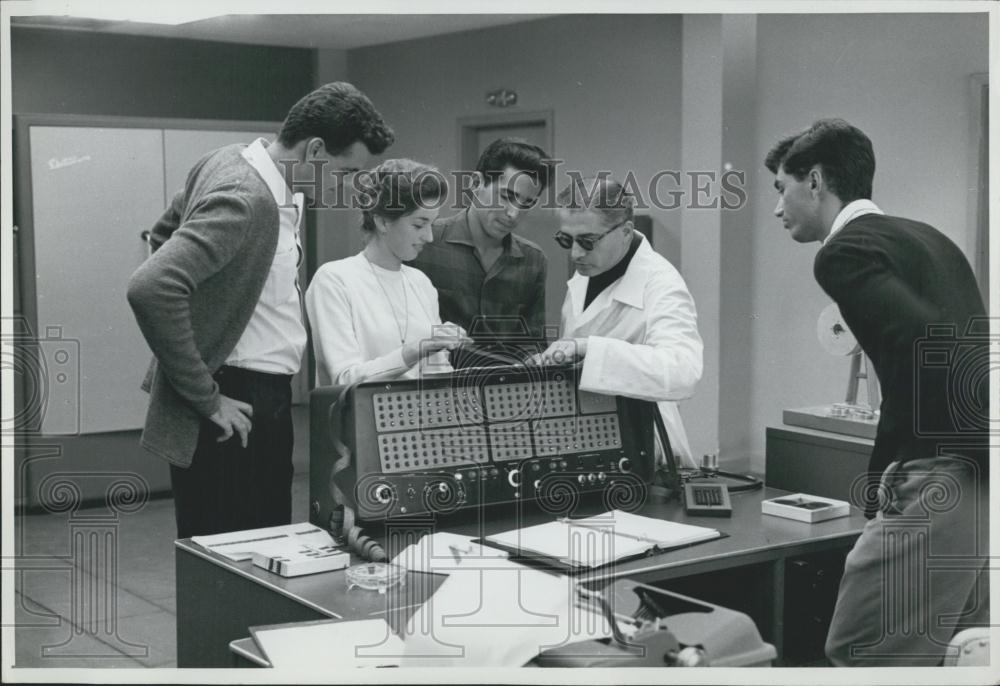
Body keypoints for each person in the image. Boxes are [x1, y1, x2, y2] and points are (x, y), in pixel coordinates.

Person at [764, 118, 989, 666]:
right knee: (948, 652)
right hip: (982, 484)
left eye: (781, 189)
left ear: (814, 181)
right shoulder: (931, 238)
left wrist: (889, 475)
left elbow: (922, 353)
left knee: (860, 652)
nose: (777, 209)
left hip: (938, 476)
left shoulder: (842, 253)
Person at [127, 82, 394, 538]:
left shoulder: (235, 162)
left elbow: (162, 234)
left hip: (258, 395)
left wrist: (214, 303)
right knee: (241, 562)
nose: (351, 187)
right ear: (313, 150)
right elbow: (151, 285)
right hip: (236, 401)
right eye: (347, 172)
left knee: (255, 554)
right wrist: (205, 395)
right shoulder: (247, 199)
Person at [530, 176, 704, 469]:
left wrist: (589, 349)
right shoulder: (588, 272)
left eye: (587, 241)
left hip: (646, 444)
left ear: (625, 231)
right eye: (566, 240)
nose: (575, 254)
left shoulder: (661, 284)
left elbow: (684, 370)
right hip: (588, 433)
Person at [305, 159, 470, 386]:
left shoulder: (421, 283)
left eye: (432, 224)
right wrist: (415, 350)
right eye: (419, 225)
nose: (429, 237)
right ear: (383, 222)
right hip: (358, 418)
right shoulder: (334, 280)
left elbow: (439, 375)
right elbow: (345, 379)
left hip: (418, 420)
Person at [409, 137, 554, 342]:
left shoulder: (533, 260)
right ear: (476, 183)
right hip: (439, 372)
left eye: (527, 203)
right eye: (506, 196)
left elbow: (533, 343)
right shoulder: (425, 243)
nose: (514, 213)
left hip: (509, 373)